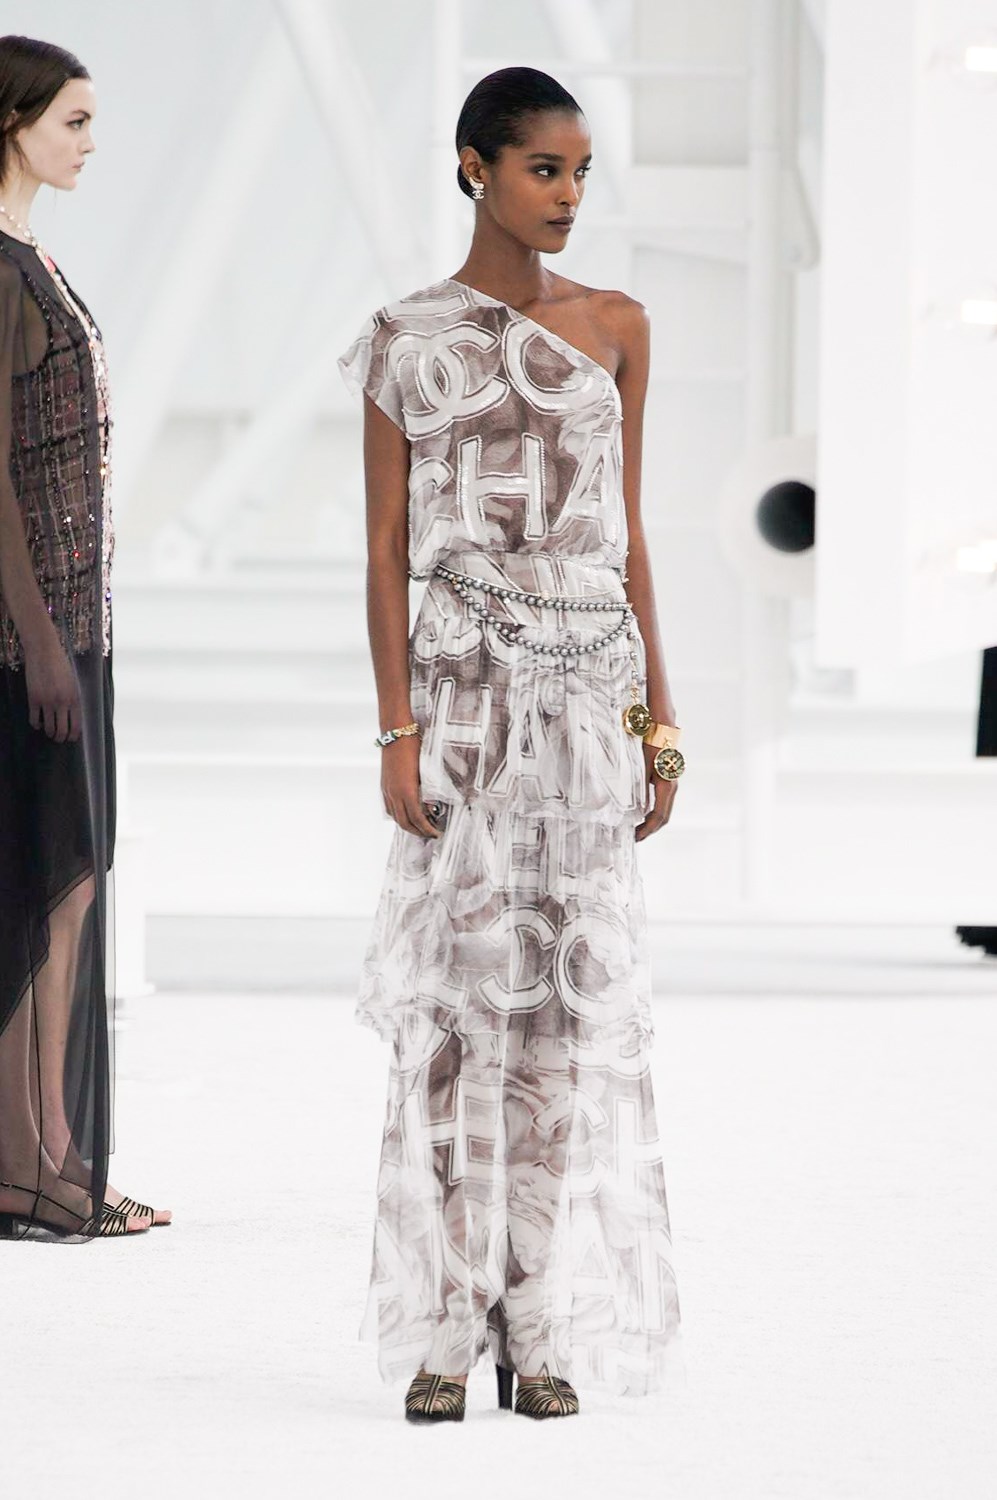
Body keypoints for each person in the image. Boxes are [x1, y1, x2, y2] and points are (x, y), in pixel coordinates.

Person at [339, 66, 682, 1421]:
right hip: (466, 697)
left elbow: (629, 534)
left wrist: (660, 721)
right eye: (545, 168)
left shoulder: (617, 327)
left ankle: (536, 1324)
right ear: (473, 167)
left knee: (561, 1016)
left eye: (582, 171)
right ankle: (443, 1318)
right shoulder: (405, 338)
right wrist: (397, 729)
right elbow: (383, 550)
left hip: (588, 698)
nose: (569, 194)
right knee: (453, 1014)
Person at [0, 34, 169, 1239]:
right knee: (44, 881)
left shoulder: (33, 259)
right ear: (9, 124)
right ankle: (32, 1164)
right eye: (72, 121)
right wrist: (40, 640)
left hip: (71, 622)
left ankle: (53, 1153)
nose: (91, 144)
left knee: (71, 881)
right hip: (30, 640)